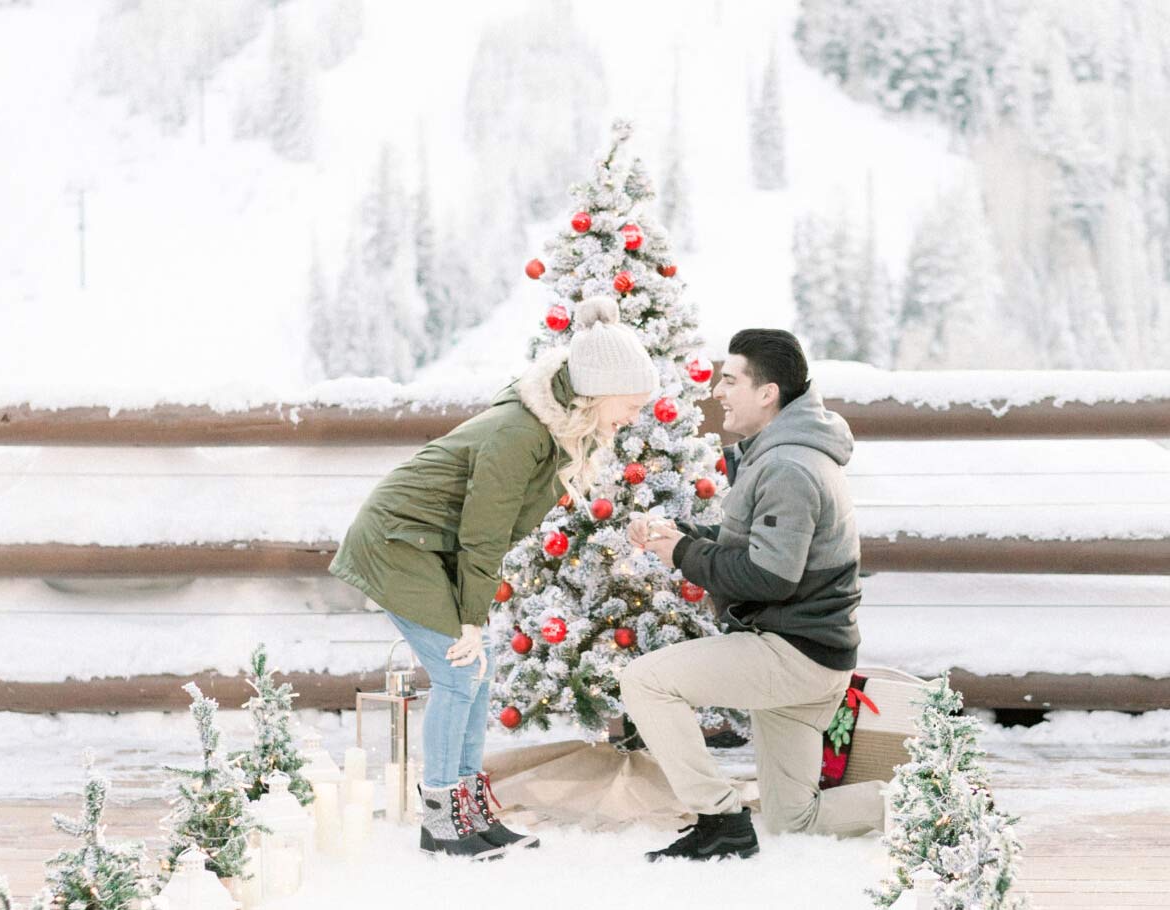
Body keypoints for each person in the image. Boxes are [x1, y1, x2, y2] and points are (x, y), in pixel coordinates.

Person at [329, 297, 658, 859]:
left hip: (430, 544)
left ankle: (468, 807)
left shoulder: (559, 429)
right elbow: (483, 534)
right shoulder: (520, 433)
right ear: (598, 393)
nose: (634, 417)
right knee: (460, 673)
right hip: (398, 543)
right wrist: (470, 618)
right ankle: (441, 821)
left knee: (480, 672)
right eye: (630, 405)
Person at [622, 328, 882, 862]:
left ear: (768, 394)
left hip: (792, 652)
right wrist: (682, 540)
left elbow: (769, 576)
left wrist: (682, 555)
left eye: (729, 379)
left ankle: (719, 817)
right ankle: (929, 798)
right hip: (814, 655)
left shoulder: (788, 464)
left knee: (645, 681)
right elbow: (762, 547)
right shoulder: (786, 453)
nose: (718, 390)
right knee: (794, 822)